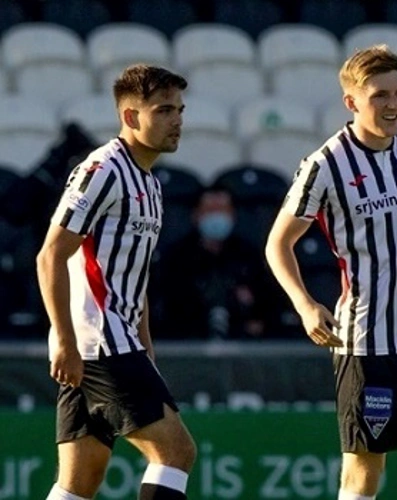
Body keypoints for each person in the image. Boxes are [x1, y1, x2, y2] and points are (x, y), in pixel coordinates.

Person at [265, 44, 397, 500]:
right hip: (368, 344)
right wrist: (305, 304)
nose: (393, 104)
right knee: (363, 478)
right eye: (380, 95)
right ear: (352, 101)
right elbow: (277, 244)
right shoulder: (325, 165)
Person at [36, 64, 196, 500]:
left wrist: (145, 344)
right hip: (100, 342)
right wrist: (65, 339)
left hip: (113, 342)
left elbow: (131, 276)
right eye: (164, 110)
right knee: (176, 452)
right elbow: (51, 255)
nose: (177, 120)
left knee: (80, 479)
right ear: (130, 116)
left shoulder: (151, 184)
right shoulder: (102, 169)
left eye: (180, 110)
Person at [157, 185, 279, 339]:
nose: (216, 215)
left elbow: (268, 303)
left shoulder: (249, 255)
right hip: (188, 338)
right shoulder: (177, 256)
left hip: (243, 339)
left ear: (233, 215)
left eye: (222, 210)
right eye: (210, 210)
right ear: (196, 215)